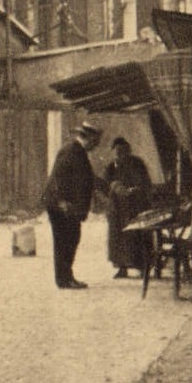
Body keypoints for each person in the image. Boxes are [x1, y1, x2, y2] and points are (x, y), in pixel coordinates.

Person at [42, 120, 102, 289]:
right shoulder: (71, 150)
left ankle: (66, 277)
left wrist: (108, 188)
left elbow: (89, 178)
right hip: (62, 206)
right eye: (95, 142)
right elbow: (58, 177)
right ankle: (64, 279)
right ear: (88, 138)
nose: (96, 147)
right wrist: (63, 202)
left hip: (67, 206)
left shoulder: (78, 151)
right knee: (64, 241)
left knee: (71, 238)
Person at [103, 135, 154, 278]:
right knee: (118, 237)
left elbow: (144, 182)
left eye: (123, 151)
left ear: (128, 150)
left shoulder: (137, 163)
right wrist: (114, 187)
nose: (120, 154)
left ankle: (143, 266)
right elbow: (105, 185)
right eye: (117, 152)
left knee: (138, 236)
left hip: (135, 205)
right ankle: (122, 267)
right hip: (117, 208)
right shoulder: (111, 167)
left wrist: (134, 189)